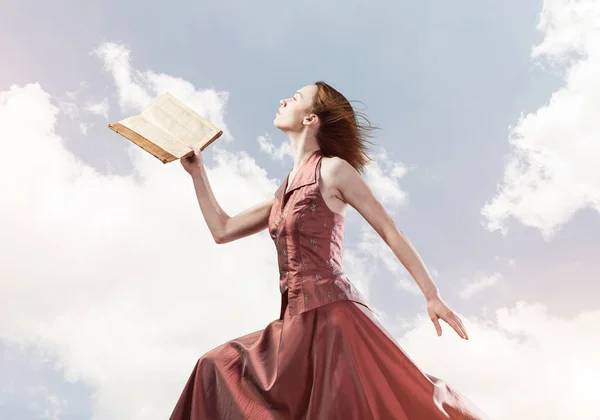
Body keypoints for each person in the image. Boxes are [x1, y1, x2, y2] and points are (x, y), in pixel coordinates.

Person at [171, 82, 488, 419]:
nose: (282, 99)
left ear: (310, 119)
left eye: (293, 98)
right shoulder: (283, 192)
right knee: (214, 365)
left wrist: (431, 294)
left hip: (334, 319)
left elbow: (389, 231)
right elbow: (223, 230)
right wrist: (197, 173)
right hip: (292, 326)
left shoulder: (334, 170)